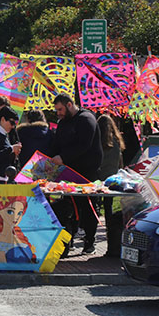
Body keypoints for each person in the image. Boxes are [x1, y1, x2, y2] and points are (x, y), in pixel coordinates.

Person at [51, 93, 103, 255]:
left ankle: (89, 241)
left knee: (87, 206)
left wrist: (64, 157)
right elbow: (58, 144)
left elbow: (84, 145)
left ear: (68, 105)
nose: (58, 113)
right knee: (67, 207)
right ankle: (69, 240)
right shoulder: (63, 123)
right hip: (67, 172)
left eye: (60, 109)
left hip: (86, 173)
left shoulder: (86, 119)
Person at [97, 114, 125, 257]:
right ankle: (113, 246)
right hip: (113, 182)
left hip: (99, 182)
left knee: (99, 210)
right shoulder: (116, 142)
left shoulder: (98, 142)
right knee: (112, 215)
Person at [0, 195, 37, 264]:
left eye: (20, 213)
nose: (16, 217)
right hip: (7, 272)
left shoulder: (19, 235)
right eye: (10, 212)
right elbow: (1, 263)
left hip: (25, 272)